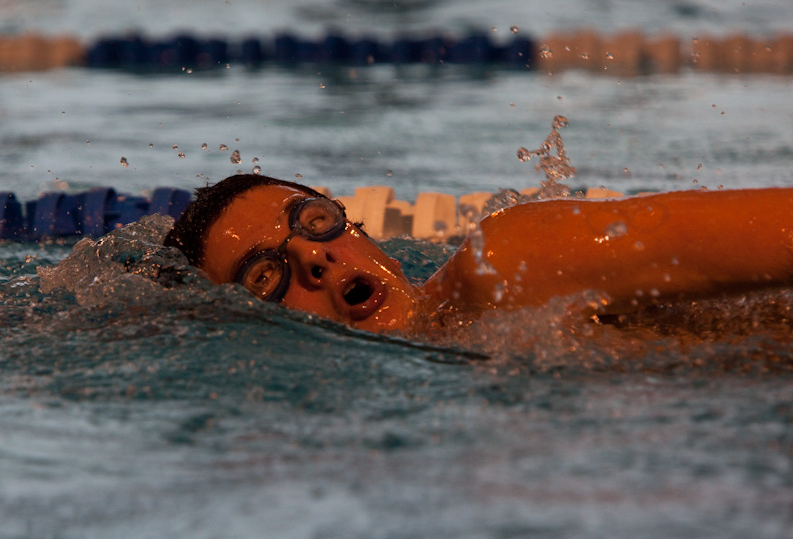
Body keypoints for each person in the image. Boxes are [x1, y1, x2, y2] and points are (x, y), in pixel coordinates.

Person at [163, 173, 793, 335]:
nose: (313, 258)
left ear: (369, 239)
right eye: (265, 276)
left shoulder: (507, 263)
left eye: (316, 222)